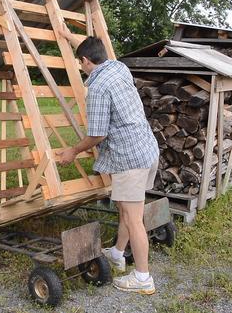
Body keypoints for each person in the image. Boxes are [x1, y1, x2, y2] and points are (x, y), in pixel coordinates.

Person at [57, 25, 159, 294]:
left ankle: (143, 278)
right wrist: (70, 37)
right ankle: (117, 252)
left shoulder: (98, 88)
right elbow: (91, 50)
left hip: (129, 159)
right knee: (128, 210)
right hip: (147, 149)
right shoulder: (118, 67)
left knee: (134, 218)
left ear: (87, 62)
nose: (81, 68)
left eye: (82, 63)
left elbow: (97, 135)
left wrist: (73, 151)